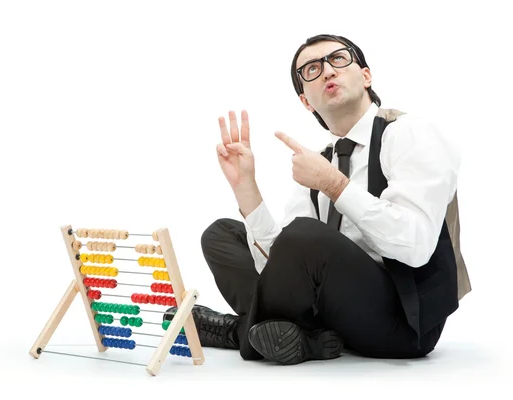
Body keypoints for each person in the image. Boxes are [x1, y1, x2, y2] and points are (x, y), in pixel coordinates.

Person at [165, 34, 471, 365]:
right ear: (306, 101)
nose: (327, 71)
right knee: (221, 234)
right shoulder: (317, 160)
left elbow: (415, 246)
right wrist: (246, 187)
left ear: (365, 76)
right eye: (311, 69)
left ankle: (238, 332)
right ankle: (306, 338)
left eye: (338, 59)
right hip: (330, 307)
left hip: (404, 321)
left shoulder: (411, 132)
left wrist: (333, 184)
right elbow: (282, 262)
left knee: (304, 235)